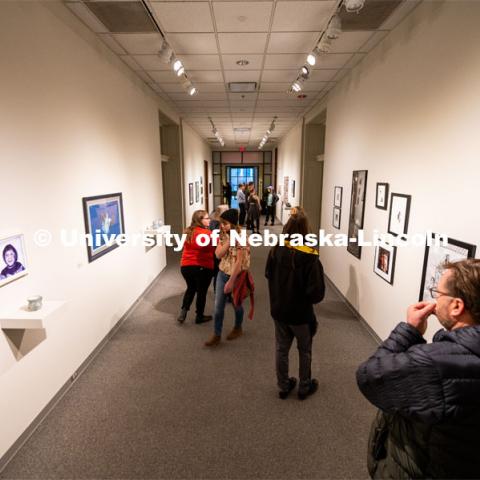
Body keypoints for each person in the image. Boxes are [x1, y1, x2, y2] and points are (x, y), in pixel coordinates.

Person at [356, 258, 480, 479]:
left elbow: (370, 376)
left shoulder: (436, 365)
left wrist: (409, 331)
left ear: (457, 306)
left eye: (438, 293)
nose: (434, 299)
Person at [265, 213, 325, 400]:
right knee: (304, 350)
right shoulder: (309, 257)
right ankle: (304, 387)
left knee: (281, 349)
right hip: (301, 314)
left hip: (279, 310)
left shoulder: (275, 251)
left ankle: (283, 386)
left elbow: (268, 275)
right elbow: (316, 294)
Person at [205, 208, 251, 347]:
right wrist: (229, 241)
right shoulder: (222, 235)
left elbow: (239, 262)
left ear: (232, 223)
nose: (222, 226)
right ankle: (217, 334)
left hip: (237, 276)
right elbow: (218, 255)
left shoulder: (242, 237)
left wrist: (231, 282)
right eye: (221, 223)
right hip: (222, 273)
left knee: (237, 305)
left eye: (225, 223)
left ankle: (238, 327)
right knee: (218, 307)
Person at [177, 210, 215, 324]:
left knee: (191, 288)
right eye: (207, 218)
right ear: (200, 220)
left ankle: (183, 312)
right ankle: (199, 316)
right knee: (201, 292)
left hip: (186, 266)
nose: (209, 220)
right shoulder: (207, 234)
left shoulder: (187, 231)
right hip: (202, 266)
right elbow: (214, 249)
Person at [209, 204, 229, 291]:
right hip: (217, 250)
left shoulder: (216, 222)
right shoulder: (215, 223)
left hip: (220, 248)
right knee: (219, 271)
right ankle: (218, 290)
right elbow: (219, 237)